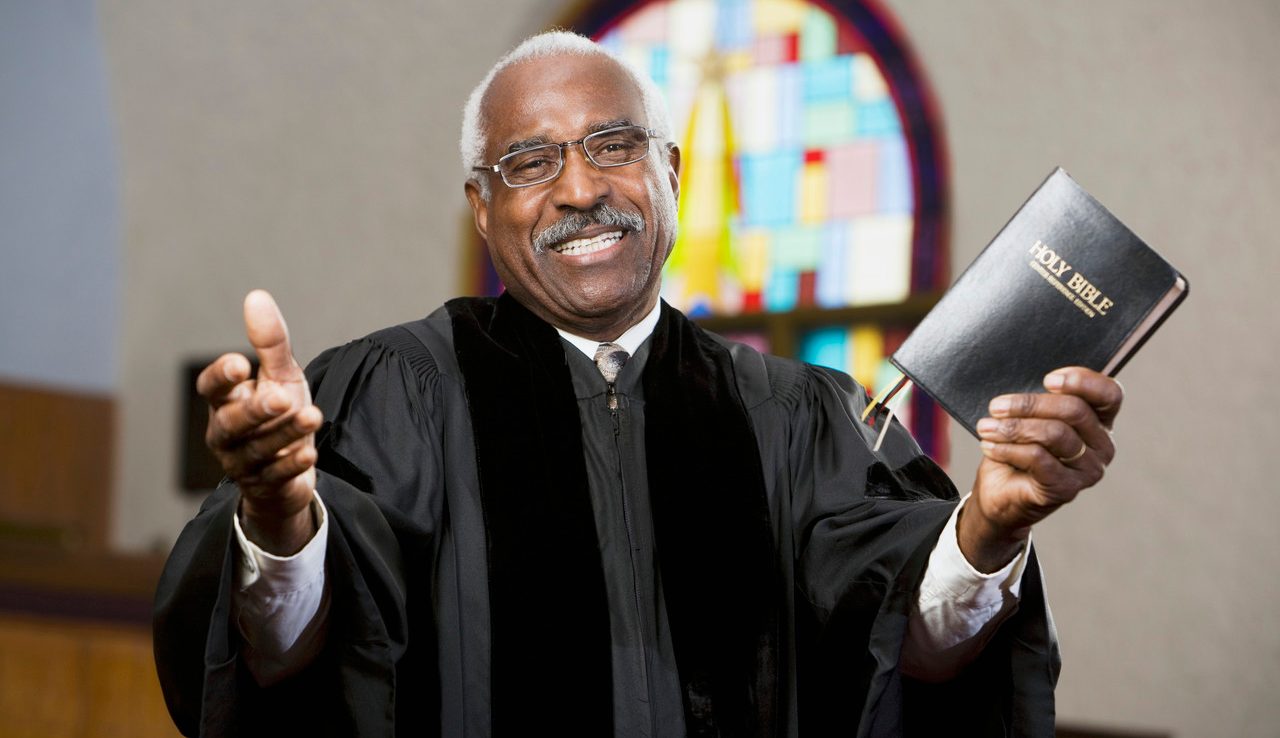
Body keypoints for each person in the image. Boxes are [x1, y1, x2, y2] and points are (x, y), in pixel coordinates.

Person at [153, 31, 1122, 738]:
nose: (579, 190)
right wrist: (280, 514)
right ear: (482, 211)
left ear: (671, 171)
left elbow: (906, 655)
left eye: (613, 145)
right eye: (529, 162)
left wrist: (990, 527)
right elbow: (286, 662)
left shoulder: (798, 418)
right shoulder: (388, 395)